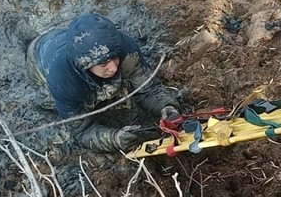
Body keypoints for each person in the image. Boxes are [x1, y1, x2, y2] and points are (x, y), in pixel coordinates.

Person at [26, 13, 180, 152]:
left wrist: (167, 106)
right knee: (50, 103)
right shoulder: (63, 79)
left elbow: (149, 89)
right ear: (85, 66)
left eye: (114, 58)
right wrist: (115, 139)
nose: (113, 68)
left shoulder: (123, 46)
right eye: (103, 64)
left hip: (67, 38)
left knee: (118, 83)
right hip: (39, 58)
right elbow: (81, 132)